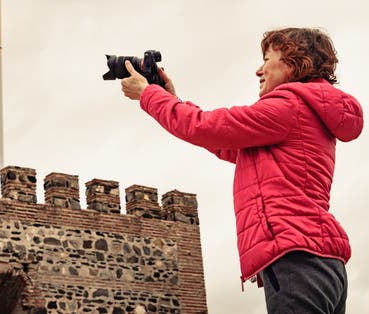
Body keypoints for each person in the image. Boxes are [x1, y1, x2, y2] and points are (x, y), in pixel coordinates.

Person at [121, 27, 363, 313]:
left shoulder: (289, 106)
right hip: (321, 261)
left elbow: (205, 126)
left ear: (295, 62)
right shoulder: (307, 113)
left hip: (296, 259)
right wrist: (174, 100)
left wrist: (149, 95)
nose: (258, 71)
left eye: (267, 59)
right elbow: (225, 142)